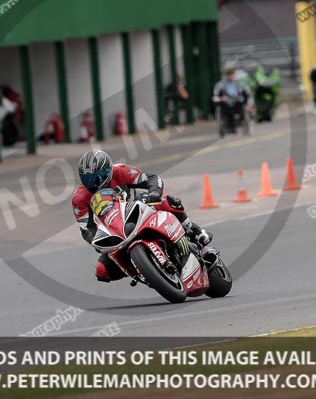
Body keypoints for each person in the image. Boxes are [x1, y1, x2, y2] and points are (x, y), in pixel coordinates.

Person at [72, 149, 212, 283]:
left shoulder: (120, 170)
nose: (93, 184)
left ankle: (195, 232)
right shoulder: (79, 199)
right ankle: (141, 271)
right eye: (87, 179)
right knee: (101, 271)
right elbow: (86, 229)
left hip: (139, 209)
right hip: (115, 230)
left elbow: (152, 178)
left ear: (107, 170)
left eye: (96, 178)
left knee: (166, 201)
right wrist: (97, 241)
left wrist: (154, 193)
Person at [212, 67, 250, 135]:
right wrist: (221, 98)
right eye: (228, 75)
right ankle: (230, 126)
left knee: (240, 104)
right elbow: (215, 97)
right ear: (226, 76)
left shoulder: (239, 84)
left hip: (236, 103)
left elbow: (246, 94)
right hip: (226, 104)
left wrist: (246, 104)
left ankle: (240, 121)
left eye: (232, 74)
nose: (230, 76)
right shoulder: (220, 85)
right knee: (225, 108)